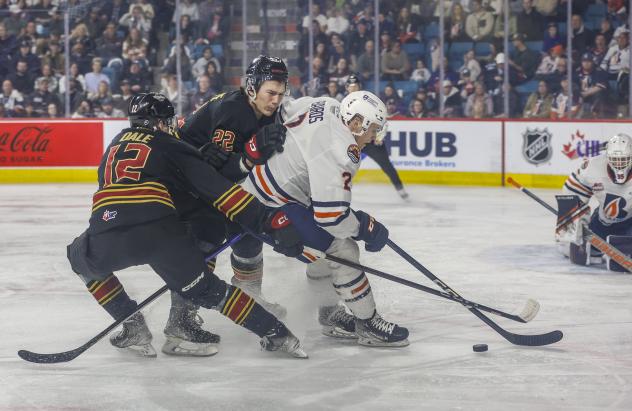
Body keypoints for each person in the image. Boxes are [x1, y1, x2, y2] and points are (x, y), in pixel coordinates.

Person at [66, 92, 307, 359]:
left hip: (107, 230)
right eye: (168, 121)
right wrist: (269, 222)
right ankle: (277, 334)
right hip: (158, 233)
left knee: (78, 256)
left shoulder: (113, 146)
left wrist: (196, 160)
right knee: (209, 288)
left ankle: (131, 323)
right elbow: (220, 192)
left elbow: (124, 193)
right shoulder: (169, 143)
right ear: (159, 123)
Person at [241, 90, 409, 347]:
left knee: (323, 249)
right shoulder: (343, 151)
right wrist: (365, 227)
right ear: (355, 123)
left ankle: (329, 313)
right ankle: (368, 324)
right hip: (272, 207)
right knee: (342, 250)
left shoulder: (326, 104)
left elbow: (283, 110)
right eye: (373, 129)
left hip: (256, 189)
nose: (374, 137)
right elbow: (331, 217)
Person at [170, 55, 290, 355]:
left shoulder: (260, 109)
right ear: (252, 89)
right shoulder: (234, 113)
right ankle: (180, 321)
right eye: (270, 93)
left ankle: (251, 293)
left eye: (280, 93)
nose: (276, 100)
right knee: (205, 239)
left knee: (248, 232)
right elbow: (214, 177)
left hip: (202, 176)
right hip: (183, 184)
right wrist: (250, 154)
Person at [557, 134, 632, 270]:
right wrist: (575, 225)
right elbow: (572, 193)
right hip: (604, 223)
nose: (619, 164)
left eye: (624, 159)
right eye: (615, 159)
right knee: (574, 251)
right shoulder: (592, 167)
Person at [345, 75, 409, 200]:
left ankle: (400, 190)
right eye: (351, 87)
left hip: (372, 141)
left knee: (387, 166)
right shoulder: (343, 102)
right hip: (354, 141)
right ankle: (338, 191)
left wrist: (379, 136)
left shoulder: (369, 100)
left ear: (360, 87)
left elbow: (382, 118)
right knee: (343, 165)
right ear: (346, 88)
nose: (353, 89)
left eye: (355, 86)